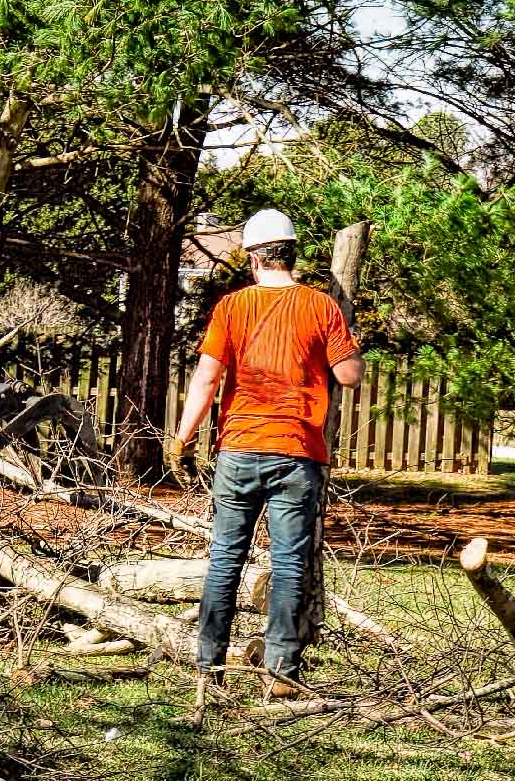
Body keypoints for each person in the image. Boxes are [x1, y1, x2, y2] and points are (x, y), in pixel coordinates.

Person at [166, 208, 364, 697]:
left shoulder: (232, 308)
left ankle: (208, 663)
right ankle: (280, 671)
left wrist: (183, 436)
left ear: (254, 259)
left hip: (238, 448)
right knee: (290, 563)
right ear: (291, 254)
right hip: (297, 451)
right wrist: (340, 350)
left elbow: (207, 378)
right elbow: (349, 375)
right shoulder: (321, 306)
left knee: (225, 559)